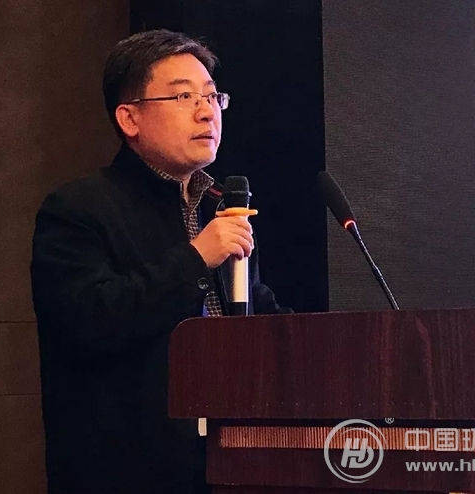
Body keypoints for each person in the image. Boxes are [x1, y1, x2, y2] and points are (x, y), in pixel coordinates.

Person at [30, 29, 290, 494]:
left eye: (212, 96)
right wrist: (197, 258)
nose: (207, 111)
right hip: (129, 471)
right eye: (184, 96)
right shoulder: (78, 208)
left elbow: (257, 316)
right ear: (129, 118)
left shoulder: (218, 209)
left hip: (233, 463)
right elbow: (88, 322)